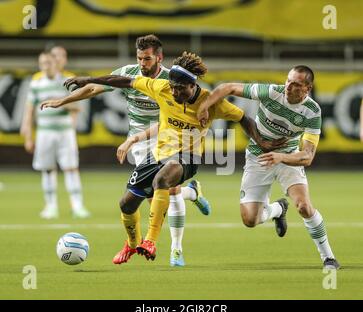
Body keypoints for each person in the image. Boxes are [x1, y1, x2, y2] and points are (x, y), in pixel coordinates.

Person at [40, 51, 285, 263]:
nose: (176, 92)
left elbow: (243, 117)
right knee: (126, 203)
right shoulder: (162, 87)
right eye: (174, 87)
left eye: (181, 88)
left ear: (193, 85)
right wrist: (89, 79)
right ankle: (132, 244)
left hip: (188, 156)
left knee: (163, 181)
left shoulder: (210, 101)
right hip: (159, 153)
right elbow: (122, 81)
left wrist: (262, 142)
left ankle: (151, 241)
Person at [45, 35, 211, 267]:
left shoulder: (171, 81)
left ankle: (176, 249)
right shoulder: (129, 72)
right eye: (139, 58)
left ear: (159, 58)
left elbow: (171, 118)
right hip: (140, 144)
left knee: (168, 191)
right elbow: (94, 87)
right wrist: (62, 101)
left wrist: (135, 138)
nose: (142, 63)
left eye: (147, 59)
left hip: (167, 139)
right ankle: (191, 194)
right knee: (153, 194)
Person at [197, 65, 340, 269]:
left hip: (288, 158)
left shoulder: (312, 111)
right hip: (258, 157)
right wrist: (204, 106)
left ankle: (328, 258)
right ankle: (277, 209)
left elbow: (307, 156)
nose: (288, 86)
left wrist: (281, 157)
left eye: (296, 84)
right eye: (288, 81)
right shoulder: (272, 92)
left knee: (304, 207)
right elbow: (228, 87)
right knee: (250, 220)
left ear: (308, 88)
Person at [20, 51, 91, 219]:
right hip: (44, 133)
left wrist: (60, 103)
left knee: (71, 168)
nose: (46, 66)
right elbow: (29, 111)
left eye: (49, 62)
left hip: (65, 132)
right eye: (42, 63)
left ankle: (78, 206)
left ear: (55, 63)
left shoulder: (65, 82)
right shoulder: (36, 84)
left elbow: (78, 107)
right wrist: (28, 136)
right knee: (47, 169)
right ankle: (50, 206)